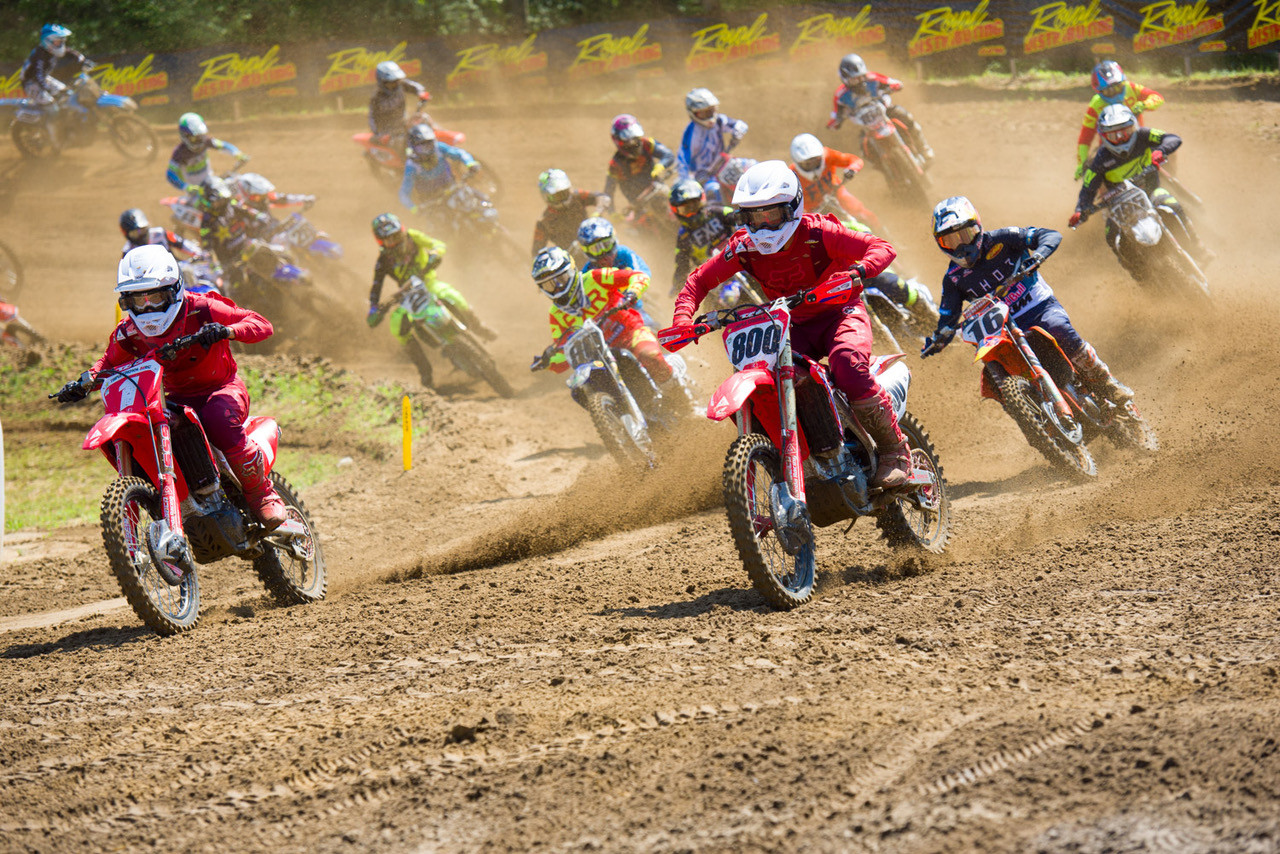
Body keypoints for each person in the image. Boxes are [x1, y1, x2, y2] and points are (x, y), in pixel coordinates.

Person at [671, 160, 911, 489]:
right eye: (753, 217)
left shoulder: (819, 232)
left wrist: (858, 271)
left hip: (840, 313)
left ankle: (895, 451)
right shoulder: (742, 247)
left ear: (792, 207)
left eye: (771, 215)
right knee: (766, 383)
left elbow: (880, 247)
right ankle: (796, 461)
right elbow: (698, 280)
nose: (762, 226)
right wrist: (683, 318)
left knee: (847, 364)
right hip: (789, 326)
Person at [54, 245, 287, 527]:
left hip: (221, 389)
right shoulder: (129, 332)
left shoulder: (202, 308)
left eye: (154, 297)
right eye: (138, 301)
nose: (147, 308)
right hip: (173, 399)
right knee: (151, 431)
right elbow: (108, 363)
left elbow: (261, 324)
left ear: (173, 289)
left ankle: (262, 495)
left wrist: (227, 330)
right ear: (126, 302)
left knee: (218, 419)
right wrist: (85, 381)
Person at [922, 196, 1133, 404]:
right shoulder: (953, 279)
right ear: (941, 244)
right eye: (950, 241)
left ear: (977, 228)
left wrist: (1037, 256)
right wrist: (938, 339)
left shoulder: (1003, 238)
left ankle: (1107, 383)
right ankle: (1028, 414)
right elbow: (948, 318)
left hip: (1039, 309)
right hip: (1001, 332)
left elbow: (1049, 235)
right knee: (993, 374)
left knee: (1058, 327)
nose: (961, 246)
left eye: (965, 235)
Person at [530, 247, 683, 405]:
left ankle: (686, 402)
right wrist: (548, 361)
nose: (557, 288)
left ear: (570, 271)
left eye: (560, 279)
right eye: (549, 285)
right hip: (600, 357)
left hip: (631, 334)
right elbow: (564, 350)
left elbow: (638, 276)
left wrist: (632, 293)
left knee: (649, 355)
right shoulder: (556, 314)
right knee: (582, 387)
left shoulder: (595, 278)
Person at [1069, 104, 1208, 262]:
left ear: (1133, 127)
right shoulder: (1100, 158)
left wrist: (1161, 151)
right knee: (1111, 235)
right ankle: (1139, 274)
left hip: (1152, 192)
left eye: (1126, 132)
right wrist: (1080, 210)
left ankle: (1197, 246)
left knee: (1171, 203)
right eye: (1114, 135)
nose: (1121, 138)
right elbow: (1088, 188)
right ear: (1104, 136)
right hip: (1121, 208)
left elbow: (1172, 138)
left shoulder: (1143, 135)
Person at [366, 212, 496, 340]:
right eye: (390, 240)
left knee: (456, 298)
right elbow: (376, 287)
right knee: (397, 327)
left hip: (429, 282)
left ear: (402, 230)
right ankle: (414, 353)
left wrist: (435, 253)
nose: (395, 241)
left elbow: (437, 244)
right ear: (381, 242)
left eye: (397, 235)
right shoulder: (382, 262)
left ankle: (478, 327)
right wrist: (373, 309)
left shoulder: (412, 236)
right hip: (408, 296)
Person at [827, 53, 933, 168]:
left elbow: (892, 82)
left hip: (885, 111)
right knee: (864, 149)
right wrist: (836, 122)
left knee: (904, 116)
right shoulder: (840, 95)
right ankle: (883, 168)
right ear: (845, 79)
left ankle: (924, 148)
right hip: (866, 124)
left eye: (861, 77)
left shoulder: (872, 78)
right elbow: (835, 115)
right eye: (854, 79)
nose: (859, 81)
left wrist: (894, 86)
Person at [1075, 60, 1163, 181]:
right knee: (1093, 176)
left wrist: (1144, 105)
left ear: (1123, 82)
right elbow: (1085, 138)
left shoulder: (1131, 88)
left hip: (1138, 139)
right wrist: (1082, 164)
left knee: (1165, 148)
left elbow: (1157, 97)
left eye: (1118, 87)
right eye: (1108, 91)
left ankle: (1171, 178)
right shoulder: (1095, 105)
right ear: (1099, 91)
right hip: (1109, 149)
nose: (1114, 93)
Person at [191, 176, 279, 291]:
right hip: (231, 261)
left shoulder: (230, 204)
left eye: (222, 199)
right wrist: (216, 269)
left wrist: (259, 216)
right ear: (207, 202)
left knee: (270, 252)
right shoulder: (207, 223)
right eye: (217, 201)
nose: (221, 203)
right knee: (238, 285)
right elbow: (208, 250)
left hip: (246, 245)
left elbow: (246, 210)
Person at [789, 132, 883, 231]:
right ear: (797, 163)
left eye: (816, 161)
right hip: (815, 209)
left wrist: (852, 169)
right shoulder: (792, 176)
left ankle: (882, 232)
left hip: (837, 192)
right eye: (807, 164)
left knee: (858, 210)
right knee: (824, 232)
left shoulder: (828, 155)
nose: (813, 166)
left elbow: (854, 160)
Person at [668, 178, 742, 299]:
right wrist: (678, 282)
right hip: (716, 277)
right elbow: (681, 262)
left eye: (695, 206)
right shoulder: (683, 236)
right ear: (676, 211)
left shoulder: (715, 211)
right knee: (714, 304)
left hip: (739, 255)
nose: (693, 212)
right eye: (686, 209)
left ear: (702, 200)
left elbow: (739, 217)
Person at [577, 216, 657, 328]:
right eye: (596, 249)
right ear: (586, 251)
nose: (603, 253)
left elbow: (642, 271)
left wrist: (633, 291)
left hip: (635, 305)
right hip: (609, 320)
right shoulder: (588, 272)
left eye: (606, 245)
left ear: (613, 240)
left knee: (651, 327)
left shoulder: (623, 253)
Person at [20, 23, 90, 151]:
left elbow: (70, 52)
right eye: (58, 42)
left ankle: (66, 127)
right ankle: (56, 142)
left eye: (62, 41)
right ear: (48, 41)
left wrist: (83, 60)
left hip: (43, 78)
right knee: (53, 108)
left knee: (68, 93)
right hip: (31, 83)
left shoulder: (52, 49)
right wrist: (47, 89)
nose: (61, 44)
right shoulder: (39, 55)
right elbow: (38, 74)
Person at [677, 88, 748, 204]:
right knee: (714, 191)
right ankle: (723, 214)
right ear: (693, 113)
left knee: (751, 166)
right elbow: (683, 162)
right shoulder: (690, 134)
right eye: (704, 113)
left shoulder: (719, 120)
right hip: (706, 176)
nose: (709, 115)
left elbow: (740, 125)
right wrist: (688, 181)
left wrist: (737, 132)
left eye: (711, 110)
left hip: (724, 163)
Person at [398, 123, 480, 222]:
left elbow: (459, 153)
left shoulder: (439, 148)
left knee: (477, 203)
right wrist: (414, 209)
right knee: (441, 223)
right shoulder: (412, 166)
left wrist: (470, 163)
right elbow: (404, 194)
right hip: (433, 201)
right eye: (422, 147)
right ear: (413, 147)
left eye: (430, 144)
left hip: (451, 188)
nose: (428, 150)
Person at [530, 169, 611, 258]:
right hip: (572, 259)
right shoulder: (544, 222)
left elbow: (603, 198)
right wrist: (558, 256)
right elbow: (536, 252)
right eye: (555, 196)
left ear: (568, 189)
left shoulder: (577, 196)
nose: (561, 198)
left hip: (593, 243)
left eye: (563, 193)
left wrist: (597, 213)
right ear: (546, 197)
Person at [603, 114, 676, 211]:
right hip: (639, 205)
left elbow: (668, 155)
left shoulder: (647, 143)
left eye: (635, 138)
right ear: (618, 140)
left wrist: (661, 165)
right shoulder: (615, 164)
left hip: (658, 190)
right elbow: (608, 193)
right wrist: (612, 214)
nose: (634, 143)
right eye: (629, 141)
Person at [166, 112, 248, 191]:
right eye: (195, 138)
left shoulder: (206, 141)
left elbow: (223, 145)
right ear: (185, 136)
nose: (200, 140)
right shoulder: (179, 153)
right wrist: (186, 187)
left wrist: (237, 153)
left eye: (201, 136)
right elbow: (170, 174)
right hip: (195, 191)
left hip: (210, 182)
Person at [368, 60, 430, 148]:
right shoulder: (376, 98)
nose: (395, 84)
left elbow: (416, 87)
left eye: (396, 81)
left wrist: (421, 93)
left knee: (424, 118)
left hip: (403, 123)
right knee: (400, 144)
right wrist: (379, 134)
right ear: (382, 82)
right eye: (391, 82)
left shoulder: (401, 85)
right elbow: (372, 118)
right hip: (388, 131)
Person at [119, 208, 202, 260]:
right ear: (126, 233)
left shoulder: (160, 233)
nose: (140, 235)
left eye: (142, 230)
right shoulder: (128, 252)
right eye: (135, 233)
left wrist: (198, 254)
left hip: (177, 270)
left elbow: (182, 243)